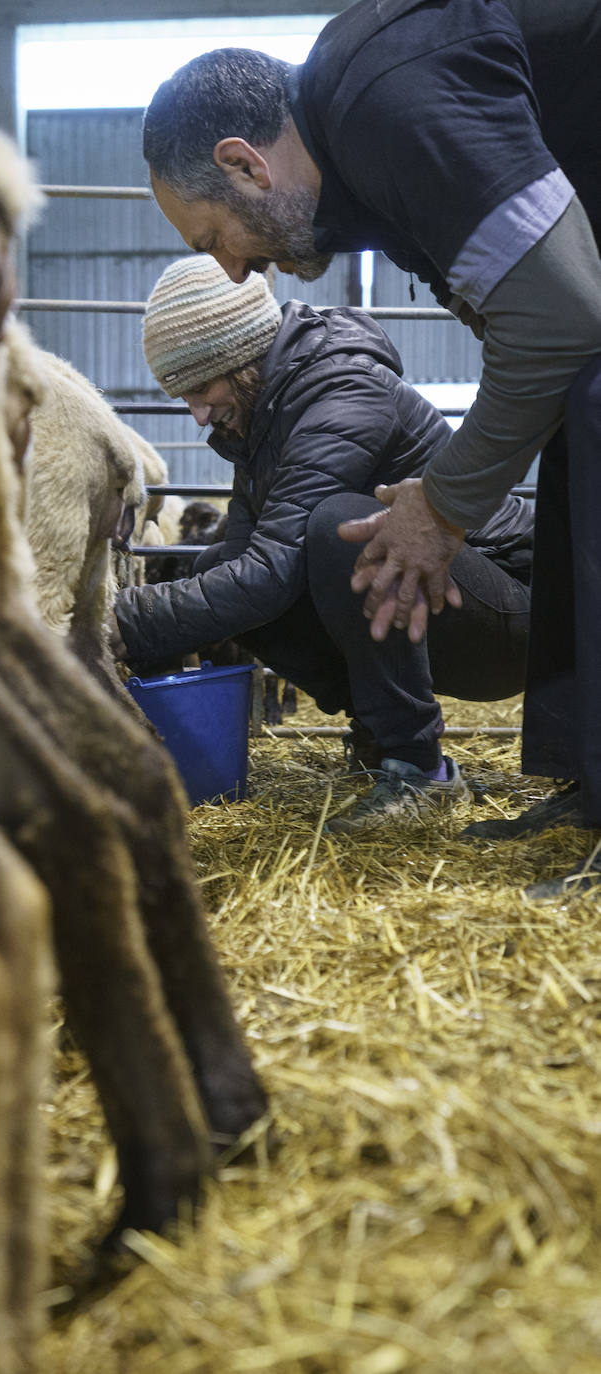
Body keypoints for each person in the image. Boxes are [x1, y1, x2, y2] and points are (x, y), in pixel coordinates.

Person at [141, 2, 601, 892]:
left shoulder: (383, 102)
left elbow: (558, 316)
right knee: (581, 407)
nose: (233, 271)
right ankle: (590, 791)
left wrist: (446, 502)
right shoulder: (367, 166)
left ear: (245, 164)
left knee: (591, 396)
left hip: (496, 571)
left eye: (214, 239)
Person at [112, 255, 533, 832]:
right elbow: (242, 563)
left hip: (511, 615)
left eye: (199, 388)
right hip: (438, 611)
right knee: (220, 561)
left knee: (342, 527)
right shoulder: (263, 418)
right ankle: (380, 738)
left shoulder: (342, 390)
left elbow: (268, 576)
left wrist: (111, 619)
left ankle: (419, 771)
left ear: (239, 357)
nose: (197, 414)